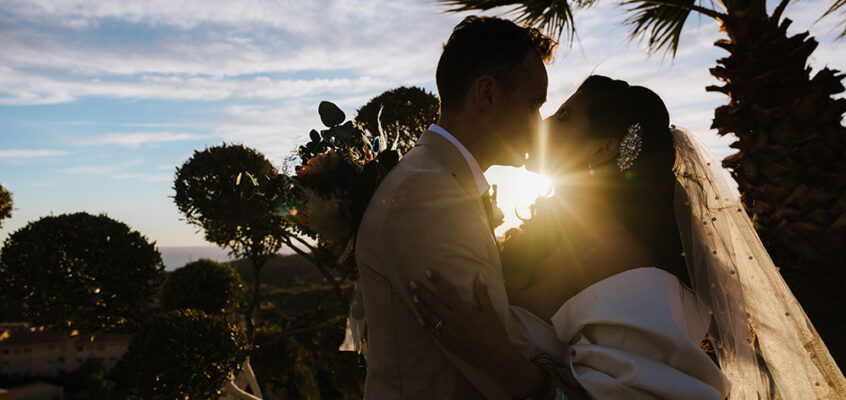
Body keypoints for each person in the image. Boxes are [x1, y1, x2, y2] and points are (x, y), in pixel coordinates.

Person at [411, 75, 846, 399]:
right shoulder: (559, 235)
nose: (542, 122)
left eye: (564, 116)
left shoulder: (622, 260)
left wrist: (501, 364)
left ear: (602, 149)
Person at [354, 16, 575, 399]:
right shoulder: (428, 196)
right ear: (487, 95)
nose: (539, 123)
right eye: (533, 104)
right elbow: (499, 363)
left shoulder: (436, 179)